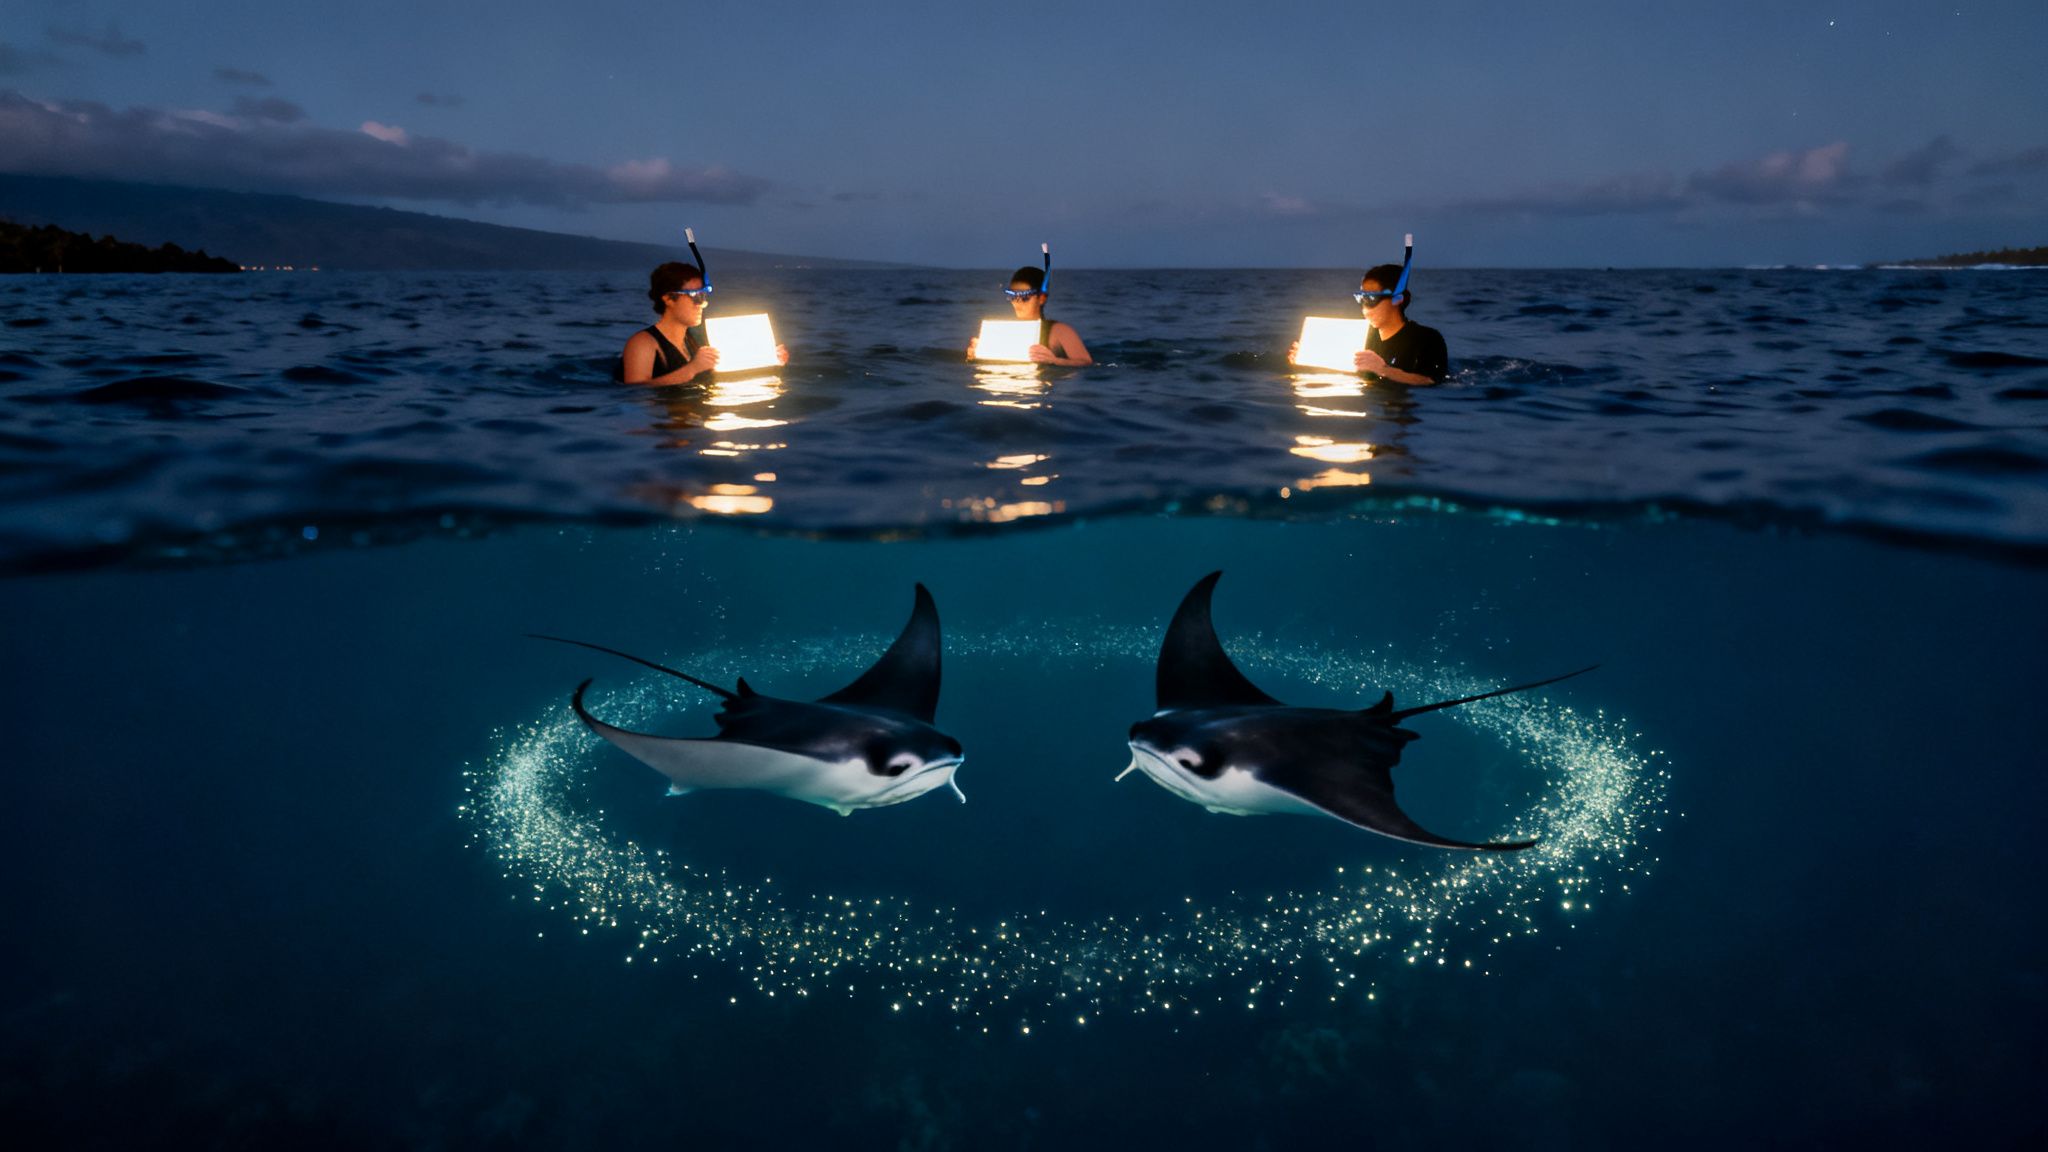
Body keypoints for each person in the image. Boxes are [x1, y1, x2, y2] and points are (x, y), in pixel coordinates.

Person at [619, 261, 787, 385]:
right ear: (669, 298)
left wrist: (769, 358)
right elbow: (635, 392)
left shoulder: (696, 341)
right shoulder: (642, 343)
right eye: (695, 296)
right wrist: (692, 369)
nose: (702, 304)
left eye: (704, 296)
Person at [1289, 260, 1448, 384]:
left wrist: (1383, 370)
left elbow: (1430, 382)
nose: (1364, 307)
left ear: (1397, 299)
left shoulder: (1428, 339)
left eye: (1371, 298)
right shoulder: (1359, 337)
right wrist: (1305, 358)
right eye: (1361, 298)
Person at [965, 266, 1094, 366]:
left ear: (1041, 298)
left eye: (1024, 297)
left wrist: (1055, 361)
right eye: (1012, 296)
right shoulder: (1001, 333)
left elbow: (1086, 363)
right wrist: (976, 355)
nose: (1017, 302)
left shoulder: (1060, 331)